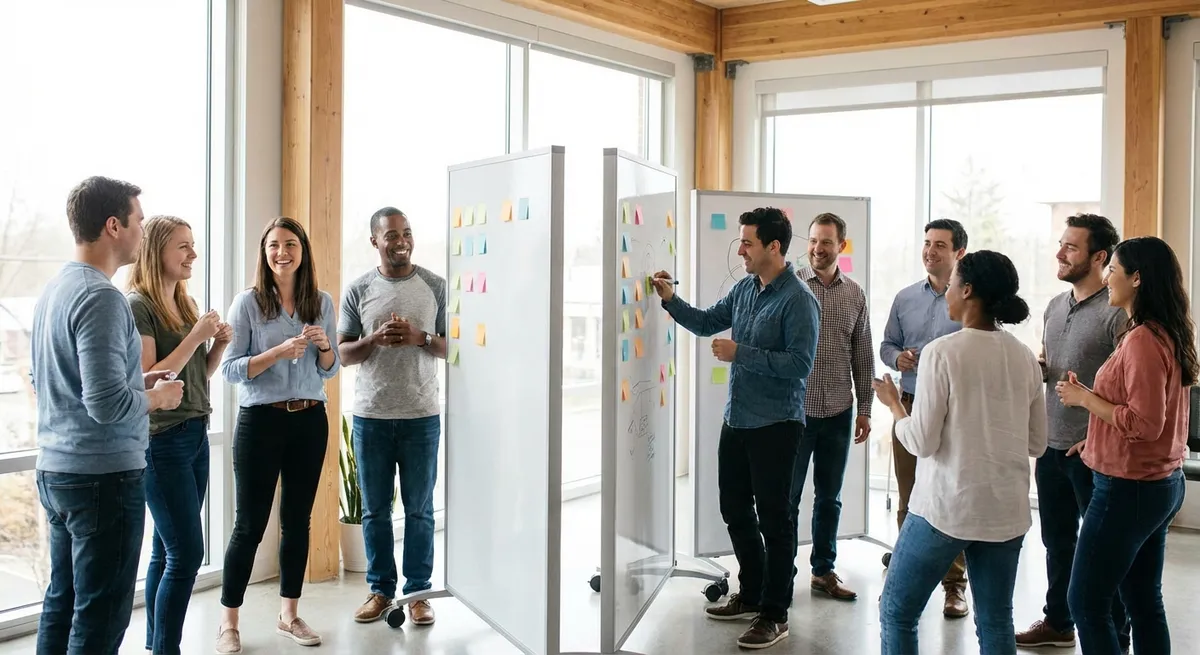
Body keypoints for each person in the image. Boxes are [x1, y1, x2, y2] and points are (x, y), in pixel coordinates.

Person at [651, 207, 819, 651]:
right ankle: (753, 593)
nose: (740, 250)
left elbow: (800, 364)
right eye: (741, 241)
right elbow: (708, 321)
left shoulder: (799, 300)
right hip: (738, 419)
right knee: (735, 510)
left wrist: (740, 352)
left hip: (777, 425)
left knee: (776, 522)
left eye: (747, 242)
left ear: (773, 247)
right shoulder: (746, 288)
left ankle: (775, 614)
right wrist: (670, 299)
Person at [31, 176, 184, 654]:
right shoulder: (101, 297)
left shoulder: (56, 289)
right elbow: (104, 405)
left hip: (58, 471)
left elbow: (59, 382)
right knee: (100, 617)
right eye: (139, 220)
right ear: (114, 226)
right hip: (102, 479)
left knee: (62, 603)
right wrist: (158, 399)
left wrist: (140, 382)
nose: (143, 231)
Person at [873, 250, 1047, 655]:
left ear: (967, 291)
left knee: (897, 612)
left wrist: (895, 405)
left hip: (945, 508)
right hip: (1005, 512)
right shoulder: (1024, 356)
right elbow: (1037, 443)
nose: (947, 292)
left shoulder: (942, 352)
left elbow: (922, 442)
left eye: (951, 284)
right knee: (996, 623)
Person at [1059, 236, 1194, 655]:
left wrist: (1084, 400)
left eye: (1113, 270)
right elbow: (1146, 412)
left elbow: (1146, 423)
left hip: (1129, 489)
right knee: (1142, 599)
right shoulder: (1162, 332)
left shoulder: (1142, 340)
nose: (1105, 279)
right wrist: (1095, 434)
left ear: (1137, 278)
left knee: (1085, 602)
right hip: (1157, 483)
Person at [216, 217, 340, 653]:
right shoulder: (247, 303)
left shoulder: (321, 302)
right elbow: (231, 369)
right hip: (261, 422)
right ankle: (229, 623)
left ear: (303, 251)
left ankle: (289, 615)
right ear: (264, 252)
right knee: (249, 525)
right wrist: (277, 352)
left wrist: (324, 347)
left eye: (290, 244)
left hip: (310, 420)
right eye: (273, 245)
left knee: (297, 522)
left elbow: (330, 370)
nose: (282, 252)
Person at [1016, 214, 1129, 651]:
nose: (1060, 253)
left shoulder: (1117, 313)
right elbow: (1059, 365)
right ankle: (1059, 623)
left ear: (1099, 257)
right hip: (1051, 446)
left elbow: (1130, 388)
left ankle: (1116, 636)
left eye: (1071, 247)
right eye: (1061, 244)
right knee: (1057, 543)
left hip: (1094, 452)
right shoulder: (1054, 306)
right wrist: (1041, 369)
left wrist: (1099, 436)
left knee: (1102, 551)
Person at [127, 215, 233, 655]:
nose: (193, 254)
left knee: (165, 550)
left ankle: (158, 645)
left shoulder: (186, 302)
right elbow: (151, 376)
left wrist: (218, 345)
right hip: (161, 442)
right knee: (187, 553)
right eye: (183, 246)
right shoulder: (138, 305)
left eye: (192, 244)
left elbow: (196, 376)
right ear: (157, 251)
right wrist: (195, 336)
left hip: (195, 435)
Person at [338, 208, 447, 627]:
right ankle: (381, 590)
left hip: (421, 415)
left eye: (406, 233)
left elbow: (454, 347)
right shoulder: (358, 289)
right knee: (375, 511)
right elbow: (343, 354)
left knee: (420, 510)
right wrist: (374, 339)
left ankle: (417, 593)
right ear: (375, 241)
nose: (401, 241)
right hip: (372, 417)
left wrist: (420, 337)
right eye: (392, 235)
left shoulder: (435, 286)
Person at [878, 218, 969, 617]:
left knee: (951, 493)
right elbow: (886, 345)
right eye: (927, 243)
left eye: (940, 245)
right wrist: (897, 357)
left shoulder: (970, 299)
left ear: (959, 253)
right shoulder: (904, 298)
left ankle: (954, 585)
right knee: (910, 493)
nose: (930, 251)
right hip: (909, 403)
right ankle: (906, 576)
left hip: (955, 409)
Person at [790, 213, 874, 602]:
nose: (818, 248)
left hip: (839, 411)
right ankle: (781, 571)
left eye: (826, 241)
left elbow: (863, 355)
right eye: (812, 240)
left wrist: (866, 408)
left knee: (829, 498)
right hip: (794, 413)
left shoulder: (855, 295)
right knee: (787, 498)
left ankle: (823, 571)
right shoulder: (790, 288)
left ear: (842, 245)